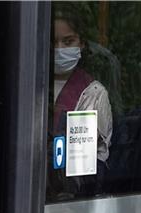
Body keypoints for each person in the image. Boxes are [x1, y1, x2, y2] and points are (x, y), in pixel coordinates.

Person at [47, 9, 113, 199]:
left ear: (82, 43)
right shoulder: (24, 82)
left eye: (68, 42)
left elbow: (89, 161)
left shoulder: (93, 94)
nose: (59, 49)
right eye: (53, 42)